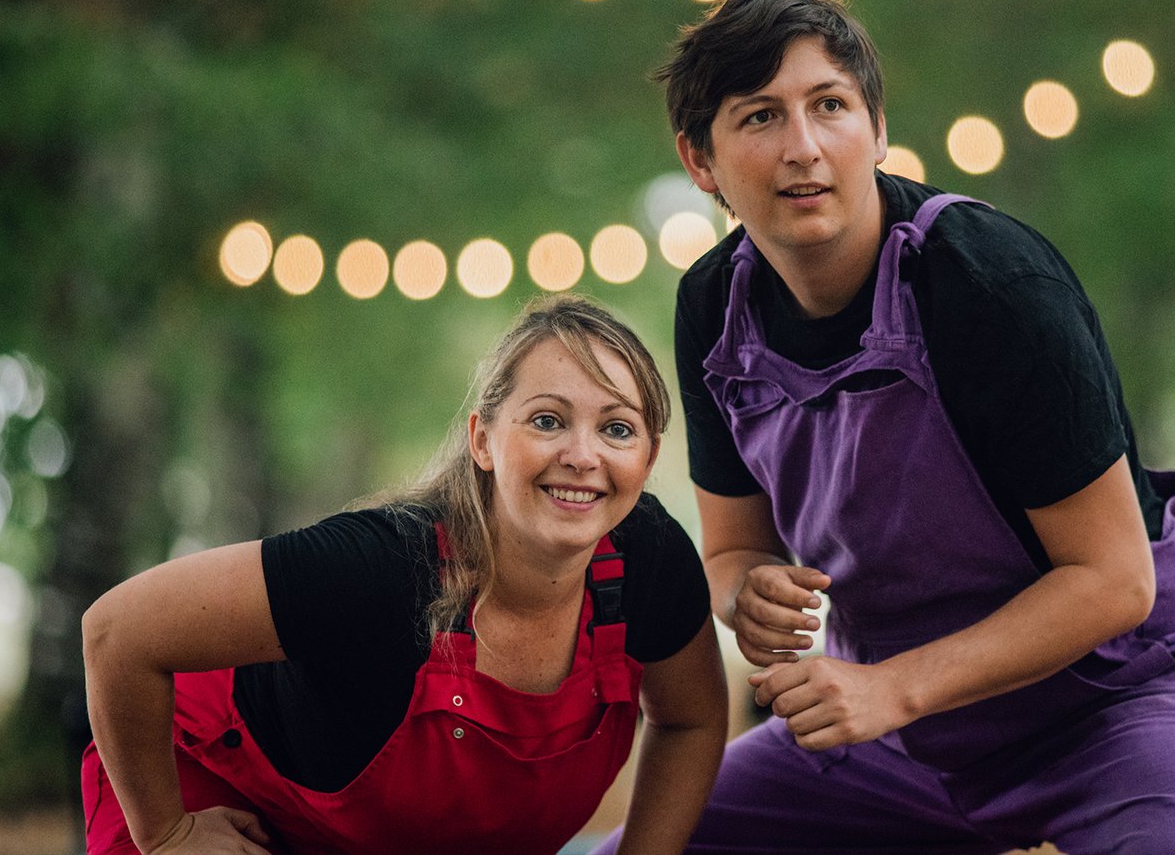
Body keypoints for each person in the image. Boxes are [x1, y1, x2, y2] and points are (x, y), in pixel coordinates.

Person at [599, 0, 1175, 854]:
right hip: (899, 740)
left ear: (876, 129)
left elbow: (1114, 580)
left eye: (829, 106)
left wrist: (893, 690)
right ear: (700, 161)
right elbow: (731, 550)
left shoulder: (991, 286)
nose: (803, 147)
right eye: (759, 117)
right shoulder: (712, 306)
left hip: (1121, 702)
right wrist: (745, 594)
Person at [81, 295, 727, 854]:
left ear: (647, 459)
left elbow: (690, 720)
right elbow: (118, 633)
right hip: (215, 789)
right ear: (482, 440)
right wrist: (166, 832)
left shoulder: (650, 561)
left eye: (616, 428)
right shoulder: (380, 565)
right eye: (547, 420)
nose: (581, 455)